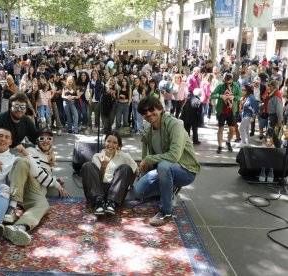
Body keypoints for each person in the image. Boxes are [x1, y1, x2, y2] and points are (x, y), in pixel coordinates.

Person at [134, 96, 200, 226]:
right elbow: (146, 159)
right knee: (139, 190)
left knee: (164, 166)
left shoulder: (174, 124)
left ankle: (166, 212)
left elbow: (174, 156)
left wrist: (148, 159)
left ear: (160, 109)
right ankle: (169, 189)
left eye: (151, 109)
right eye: (144, 112)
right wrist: (139, 172)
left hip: (186, 170)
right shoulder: (147, 131)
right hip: (162, 170)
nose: (148, 114)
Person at [3, 128, 70, 246]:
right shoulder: (30, 151)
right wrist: (55, 183)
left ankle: (19, 227)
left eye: (49, 138)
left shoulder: (49, 156)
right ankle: (12, 207)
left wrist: (54, 177)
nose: (45, 141)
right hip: (25, 180)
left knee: (43, 205)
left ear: (52, 141)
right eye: (42, 138)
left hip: (36, 188)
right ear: (37, 141)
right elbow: (36, 171)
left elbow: (43, 175)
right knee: (23, 161)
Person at [81, 131, 137, 215]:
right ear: (105, 142)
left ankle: (111, 203)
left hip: (116, 192)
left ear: (118, 145)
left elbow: (135, 170)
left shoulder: (125, 156)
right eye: (108, 141)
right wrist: (103, 166)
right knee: (87, 166)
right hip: (98, 190)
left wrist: (129, 185)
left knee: (126, 168)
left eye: (114, 142)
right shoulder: (97, 156)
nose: (110, 144)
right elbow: (97, 180)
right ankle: (99, 202)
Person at [210, 73, 242, 154]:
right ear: (224, 80)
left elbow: (240, 96)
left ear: (232, 81)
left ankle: (228, 142)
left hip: (232, 110)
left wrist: (234, 97)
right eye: (226, 83)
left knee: (232, 129)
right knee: (221, 129)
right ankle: (220, 146)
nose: (228, 84)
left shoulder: (235, 85)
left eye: (230, 83)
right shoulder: (221, 86)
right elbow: (212, 95)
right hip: (222, 111)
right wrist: (220, 96)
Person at [266, 80, 283, 148]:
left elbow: (279, 109)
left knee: (270, 131)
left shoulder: (276, 95)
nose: (268, 87)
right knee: (271, 131)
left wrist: (279, 120)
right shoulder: (273, 93)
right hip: (271, 115)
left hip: (274, 116)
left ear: (273, 86)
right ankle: (277, 145)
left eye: (269, 86)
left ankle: (277, 145)